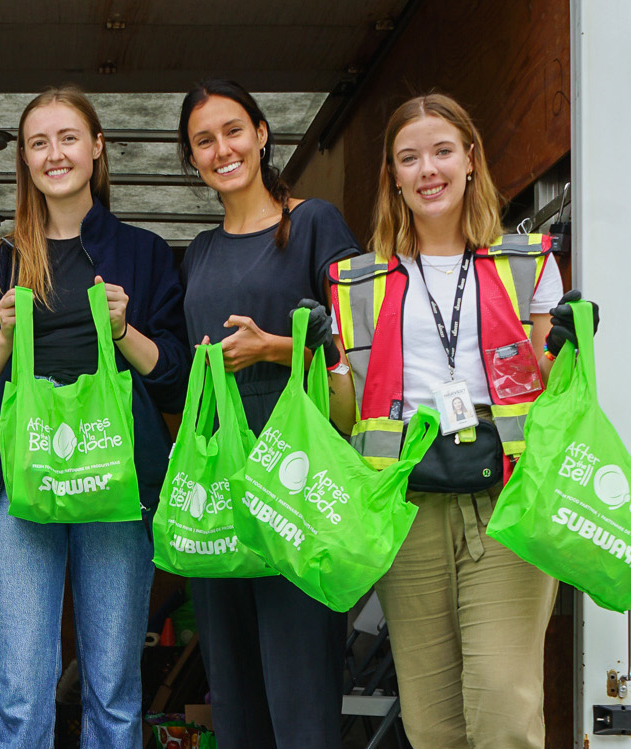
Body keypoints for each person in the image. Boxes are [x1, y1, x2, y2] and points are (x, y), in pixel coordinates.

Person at [326, 92, 597, 748]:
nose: (428, 169)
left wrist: (569, 343)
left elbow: (550, 393)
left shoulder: (528, 260)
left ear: (470, 160)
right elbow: (346, 417)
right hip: (409, 509)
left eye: (442, 151)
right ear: (391, 174)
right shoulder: (352, 281)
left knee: (502, 708)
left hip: (508, 501)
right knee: (433, 723)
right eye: (409, 157)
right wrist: (326, 363)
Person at [0, 86, 187, 747]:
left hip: (116, 481)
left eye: (69, 137)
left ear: (98, 147)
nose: (55, 154)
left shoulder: (143, 252)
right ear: (23, 159)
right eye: (38, 142)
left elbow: (176, 382)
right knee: (22, 691)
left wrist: (125, 329)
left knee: (112, 690)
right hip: (15, 487)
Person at [175, 78, 356, 749]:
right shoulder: (197, 252)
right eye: (203, 140)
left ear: (260, 133)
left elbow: (357, 347)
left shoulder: (314, 223)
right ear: (191, 159)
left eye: (231, 130)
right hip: (221, 488)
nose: (221, 148)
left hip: (296, 484)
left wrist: (273, 347)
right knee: (235, 700)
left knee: (300, 697)